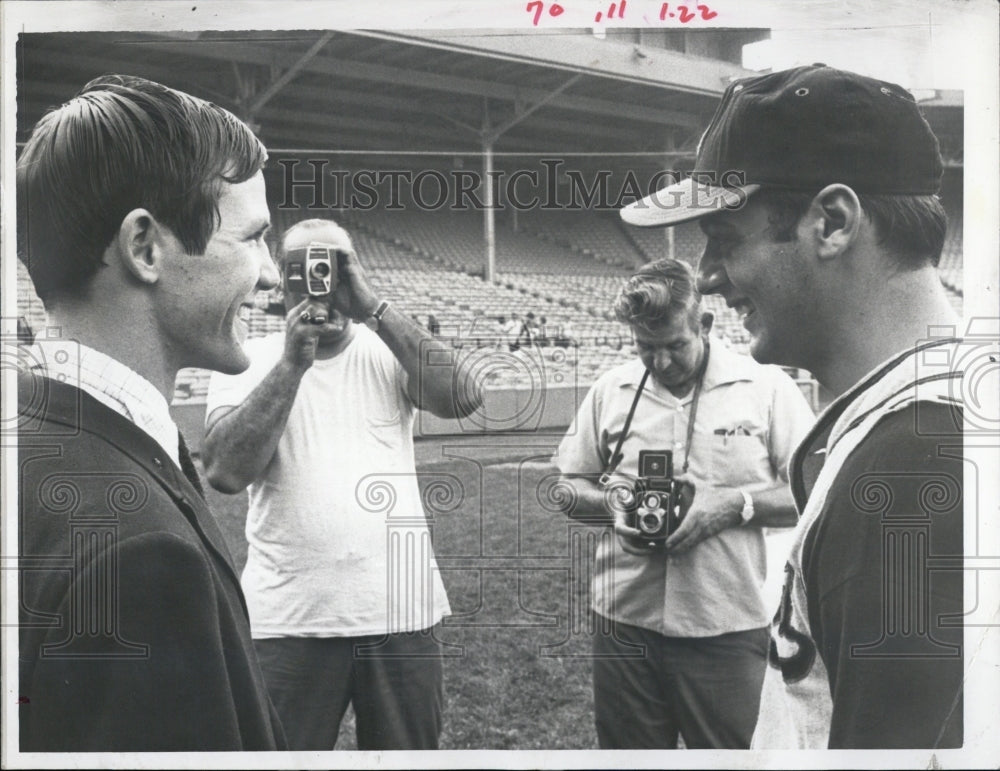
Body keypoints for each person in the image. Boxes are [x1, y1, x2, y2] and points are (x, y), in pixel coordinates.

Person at [621, 64, 965, 749]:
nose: (708, 275)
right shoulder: (915, 425)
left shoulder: (910, 472)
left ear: (831, 222)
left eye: (725, 237)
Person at [15, 75, 285, 751]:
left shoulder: (31, 434)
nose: (273, 274)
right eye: (253, 238)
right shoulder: (140, 555)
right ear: (144, 247)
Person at [201, 217, 483, 751]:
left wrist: (372, 306)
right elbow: (224, 472)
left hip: (400, 610)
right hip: (289, 618)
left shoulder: (388, 349)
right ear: (281, 279)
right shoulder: (248, 359)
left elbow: (464, 398)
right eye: (300, 269)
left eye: (332, 266)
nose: (317, 280)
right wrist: (292, 363)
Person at [552, 258, 815, 749]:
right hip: (624, 623)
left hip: (727, 624)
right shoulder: (611, 389)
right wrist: (614, 508)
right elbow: (568, 487)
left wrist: (734, 505)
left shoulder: (766, 387)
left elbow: (816, 492)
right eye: (646, 348)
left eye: (675, 345)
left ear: (706, 324)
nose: (661, 363)